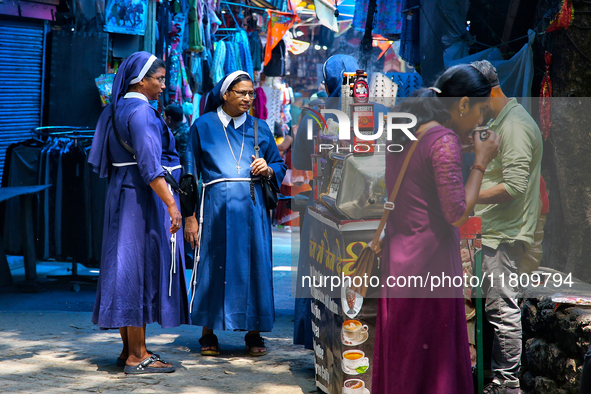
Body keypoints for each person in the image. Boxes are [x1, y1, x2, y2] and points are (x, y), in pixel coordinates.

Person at [371, 64, 500, 393]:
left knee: (406, 359)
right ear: (462, 104)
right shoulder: (443, 140)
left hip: (400, 263)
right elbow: (456, 213)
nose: (480, 120)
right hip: (430, 265)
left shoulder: (409, 131)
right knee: (432, 363)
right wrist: (481, 161)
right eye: (480, 110)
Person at [88, 51, 189, 374]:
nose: (163, 85)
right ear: (141, 80)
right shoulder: (142, 113)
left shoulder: (116, 108)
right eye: (158, 79)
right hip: (141, 199)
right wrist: (173, 205)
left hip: (121, 193)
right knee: (138, 271)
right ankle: (138, 355)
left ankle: (128, 350)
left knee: (124, 268)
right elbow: (149, 166)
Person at [183, 71, 287, 357]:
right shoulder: (202, 126)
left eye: (251, 93)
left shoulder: (260, 127)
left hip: (252, 209)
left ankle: (254, 333)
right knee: (212, 265)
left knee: (254, 266)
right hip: (215, 208)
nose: (247, 98)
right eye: (241, 93)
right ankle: (208, 332)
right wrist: (189, 216)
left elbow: (280, 165)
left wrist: (268, 168)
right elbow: (189, 174)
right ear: (225, 94)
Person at [470, 60, 543, 394]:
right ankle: (495, 378)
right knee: (495, 308)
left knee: (503, 311)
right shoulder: (502, 120)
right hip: (492, 231)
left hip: (505, 235)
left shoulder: (514, 126)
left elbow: (513, 186)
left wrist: (469, 197)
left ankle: (506, 384)